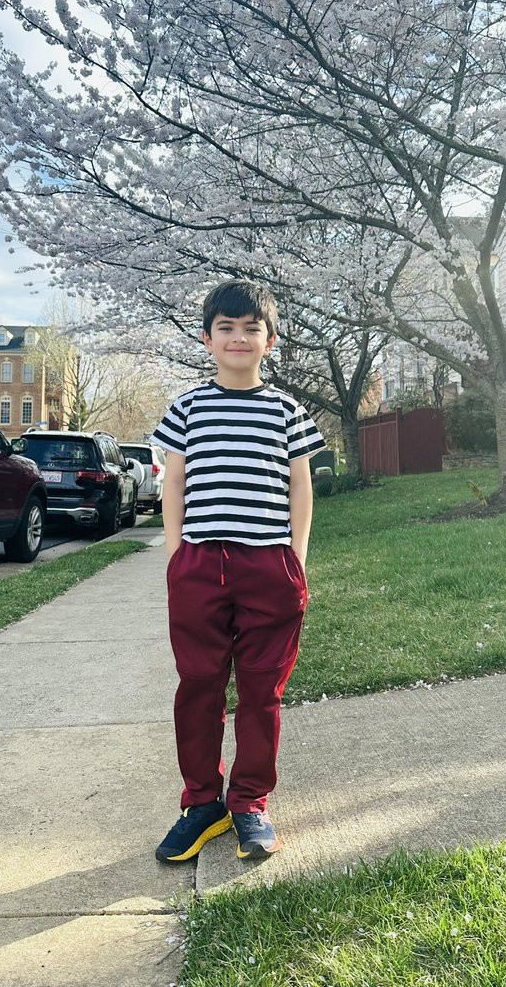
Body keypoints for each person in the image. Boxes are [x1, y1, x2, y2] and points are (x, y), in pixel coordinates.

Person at [151, 279, 326, 861]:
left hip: (269, 564)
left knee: (261, 689)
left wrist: (296, 557)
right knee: (198, 684)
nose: (238, 338)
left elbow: (300, 488)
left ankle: (250, 801)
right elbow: (174, 483)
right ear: (207, 339)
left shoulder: (286, 411)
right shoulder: (187, 408)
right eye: (226, 328)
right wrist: (177, 554)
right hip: (200, 562)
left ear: (270, 341)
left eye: (252, 329)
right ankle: (203, 803)